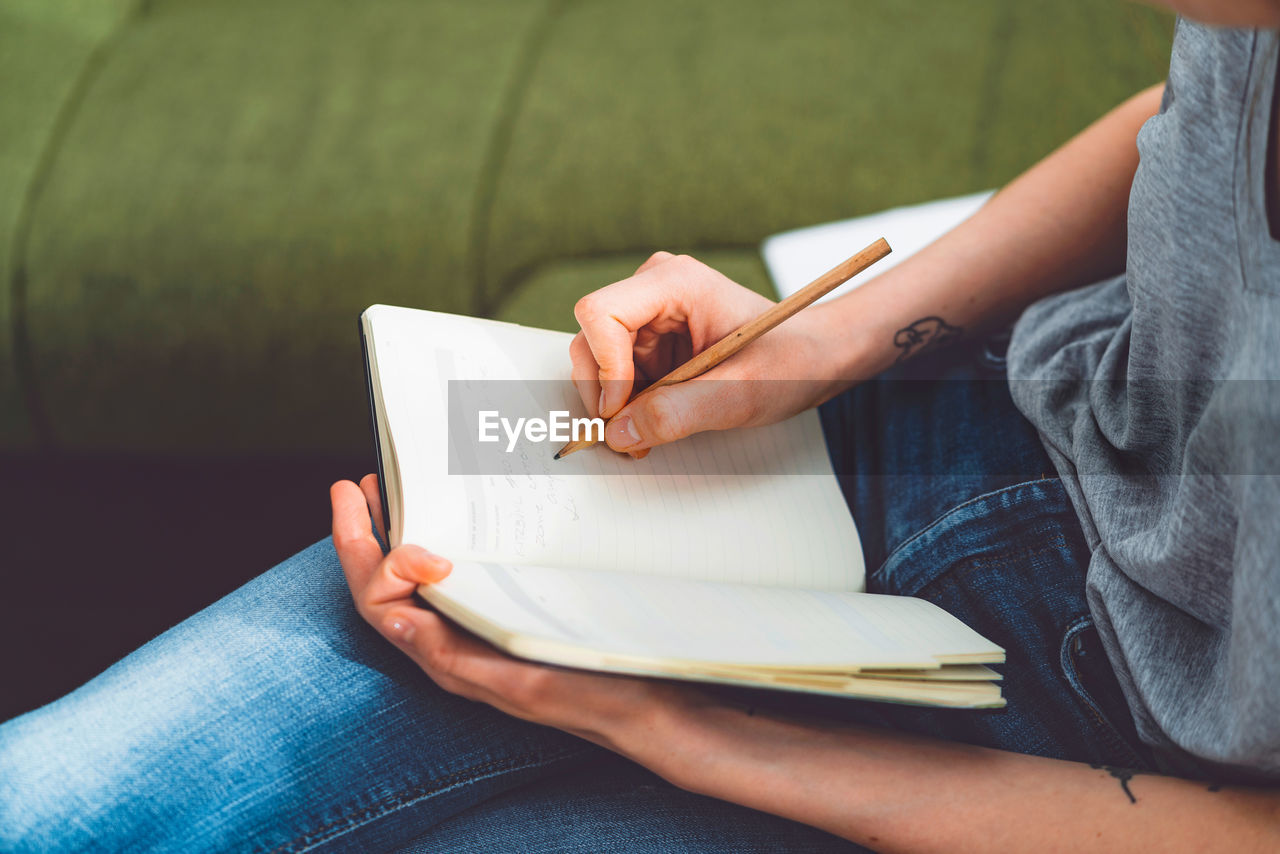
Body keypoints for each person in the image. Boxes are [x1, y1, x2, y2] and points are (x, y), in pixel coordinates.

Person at [3, 1, 1279, 850]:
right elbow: (1172, 108)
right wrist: (820, 344)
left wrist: (682, 733)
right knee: (62, 791)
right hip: (944, 426)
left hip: (1072, 755)